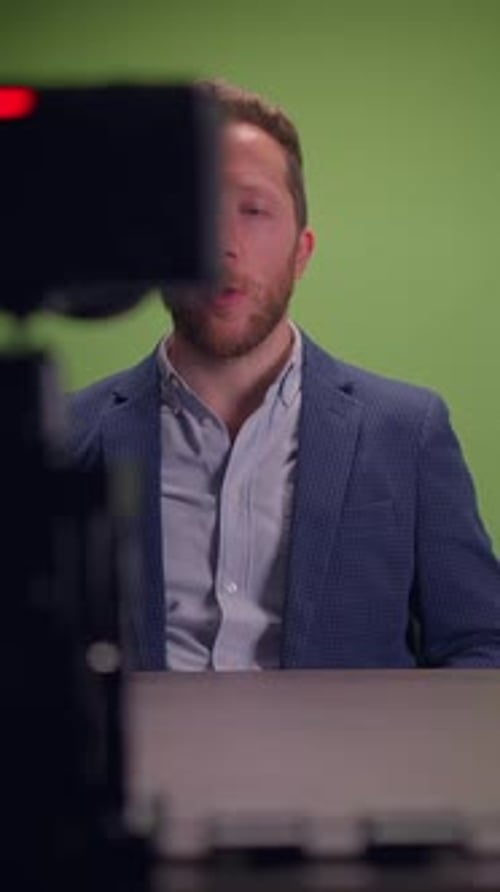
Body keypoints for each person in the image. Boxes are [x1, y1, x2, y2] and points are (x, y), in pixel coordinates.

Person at [70, 79, 500, 670]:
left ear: (302, 251)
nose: (224, 245)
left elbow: (483, 646)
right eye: (200, 210)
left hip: (346, 762)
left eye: (253, 210)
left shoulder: (409, 432)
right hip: (142, 764)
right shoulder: (67, 437)